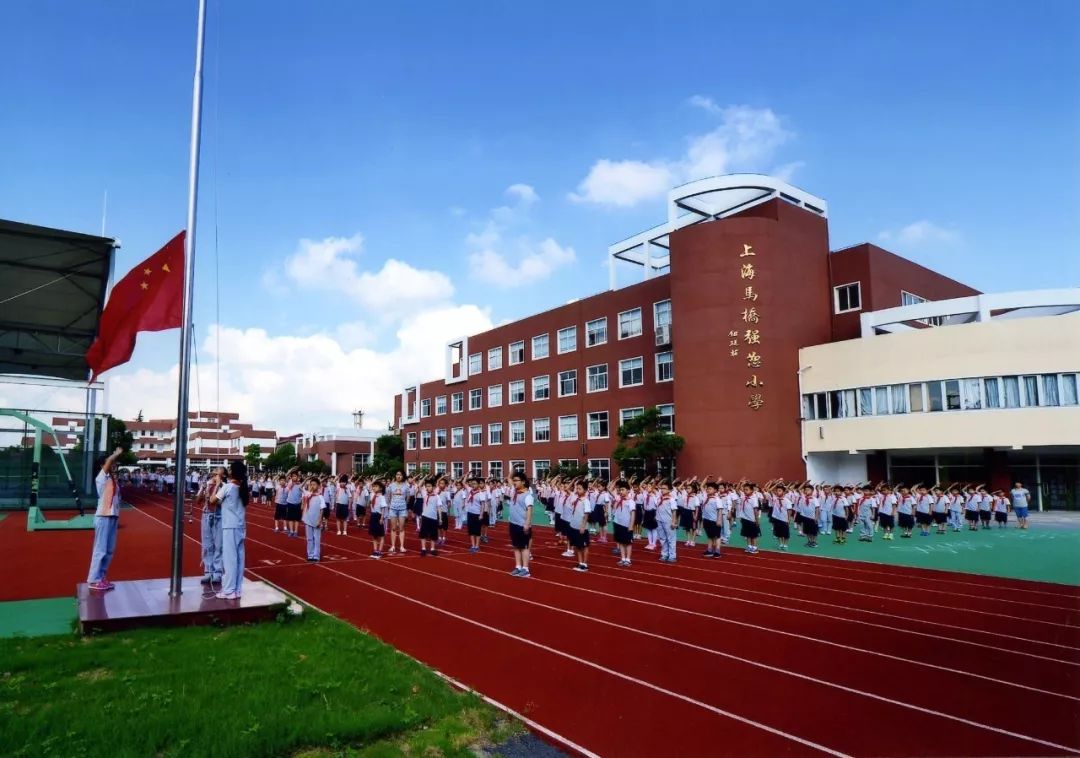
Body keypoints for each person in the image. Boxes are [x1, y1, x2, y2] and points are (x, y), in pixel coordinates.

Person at [86, 446, 125, 592]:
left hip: (113, 516)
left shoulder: (112, 479)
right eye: (111, 463)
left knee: (109, 550)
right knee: (100, 549)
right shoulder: (101, 478)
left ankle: (101, 577)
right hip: (103, 517)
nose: (114, 465)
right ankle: (93, 579)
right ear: (104, 465)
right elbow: (109, 462)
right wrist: (115, 454)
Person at [211, 460, 249, 600]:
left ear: (233, 472)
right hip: (240, 526)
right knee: (239, 559)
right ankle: (237, 589)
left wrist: (216, 485)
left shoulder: (228, 487)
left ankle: (228, 590)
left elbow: (212, 500)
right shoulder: (242, 487)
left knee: (229, 559)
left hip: (230, 526)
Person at [199, 467, 225, 587]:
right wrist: (202, 489)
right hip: (206, 515)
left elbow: (214, 501)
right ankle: (208, 570)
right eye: (214, 473)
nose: (214, 475)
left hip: (218, 516)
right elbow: (198, 501)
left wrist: (217, 485)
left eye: (217, 473)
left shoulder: (224, 486)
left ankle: (218, 572)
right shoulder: (207, 485)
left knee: (218, 545)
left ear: (222, 475)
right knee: (207, 544)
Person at [508, 472, 534, 577]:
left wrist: (527, 524)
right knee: (516, 546)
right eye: (514, 481)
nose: (514, 482)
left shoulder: (527, 495)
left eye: (516, 480)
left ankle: (525, 569)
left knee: (524, 547)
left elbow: (529, 510)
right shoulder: (514, 491)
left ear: (523, 482)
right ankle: (518, 566)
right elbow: (509, 478)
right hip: (513, 523)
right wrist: (513, 469)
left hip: (522, 525)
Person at [567, 481, 591, 571]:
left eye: (579, 489)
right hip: (574, 526)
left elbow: (586, 514)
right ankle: (580, 562)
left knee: (584, 546)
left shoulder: (586, 501)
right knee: (578, 546)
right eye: (577, 488)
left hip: (581, 527)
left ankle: (585, 564)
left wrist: (583, 526)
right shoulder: (576, 499)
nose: (577, 490)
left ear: (585, 490)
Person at [611, 479, 636, 566]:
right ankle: (623, 558)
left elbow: (632, 514)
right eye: (620, 490)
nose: (621, 491)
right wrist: (615, 481)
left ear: (628, 491)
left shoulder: (631, 501)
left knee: (628, 543)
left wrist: (631, 525)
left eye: (623, 490)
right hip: (618, 523)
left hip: (626, 525)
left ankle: (628, 559)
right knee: (621, 542)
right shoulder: (618, 499)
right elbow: (610, 490)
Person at [386, 471, 410, 554]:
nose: (398, 476)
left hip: (402, 509)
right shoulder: (391, 486)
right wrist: (390, 504)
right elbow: (388, 496)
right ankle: (392, 546)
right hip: (393, 508)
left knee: (401, 528)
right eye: (397, 474)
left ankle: (402, 546)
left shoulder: (406, 486)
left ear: (403, 476)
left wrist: (404, 504)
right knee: (393, 528)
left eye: (400, 475)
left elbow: (408, 498)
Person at [302, 478, 324, 562]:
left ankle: (316, 556)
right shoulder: (308, 494)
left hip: (316, 520)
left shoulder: (320, 497)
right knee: (309, 538)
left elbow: (322, 509)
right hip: (308, 519)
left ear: (318, 486)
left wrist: (320, 520)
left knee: (317, 538)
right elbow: (301, 487)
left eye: (314, 484)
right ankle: (310, 554)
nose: (312, 486)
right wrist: (307, 479)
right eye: (311, 484)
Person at [418, 478, 441, 557]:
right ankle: (423, 548)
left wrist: (440, 518)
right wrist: (424, 478)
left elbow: (439, 508)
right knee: (423, 534)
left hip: (433, 517)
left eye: (429, 486)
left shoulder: (436, 496)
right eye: (427, 486)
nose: (428, 488)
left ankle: (432, 548)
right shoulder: (425, 494)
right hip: (425, 516)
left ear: (433, 487)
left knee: (433, 534)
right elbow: (419, 485)